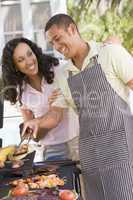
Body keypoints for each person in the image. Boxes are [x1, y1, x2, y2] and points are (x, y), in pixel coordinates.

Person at [44, 14, 133, 200]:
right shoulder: (63, 74)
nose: (57, 47)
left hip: (122, 152)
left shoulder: (109, 53)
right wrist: (36, 123)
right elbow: (55, 113)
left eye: (58, 38)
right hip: (91, 155)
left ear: (72, 29)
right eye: (52, 43)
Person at [1, 37, 79, 161]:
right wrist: (31, 131)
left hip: (77, 141)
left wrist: (36, 122)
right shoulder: (21, 92)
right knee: (54, 180)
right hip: (51, 148)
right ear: (15, 67)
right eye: (21, 60)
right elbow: (36, 137)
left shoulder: (59, 70)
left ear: (35, 52)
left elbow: (56, 116)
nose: (29, 61)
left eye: (29, 54)